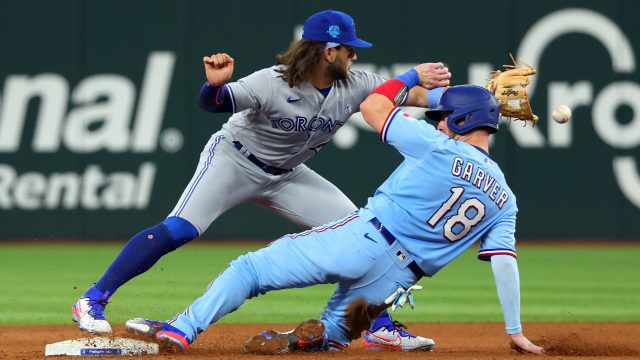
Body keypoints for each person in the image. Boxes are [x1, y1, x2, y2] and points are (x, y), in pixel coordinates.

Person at [71, 9, 451, 351]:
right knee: (181, 229)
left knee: (367, 241)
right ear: (328, 51)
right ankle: (93, 298)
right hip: (234, 161)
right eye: (349, 48)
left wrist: (481, 100)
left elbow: (422, 97)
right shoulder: (272, 82)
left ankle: (377, 327)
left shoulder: (356, 83)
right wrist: (215, 85)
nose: (355, 55)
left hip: (288, 176)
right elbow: (215, 104)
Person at [122, 68, 545, 355]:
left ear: (461, 120)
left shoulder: (437, 145)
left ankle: (182, 328)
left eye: (444, 117)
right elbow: (504, 263)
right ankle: (308, 338)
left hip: (362, 240)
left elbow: (372, 107)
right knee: (334, 337)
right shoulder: (505, 198)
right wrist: (514, 330)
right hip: (394, 283)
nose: (438, 122)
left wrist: (410, 78)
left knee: (249, 271)